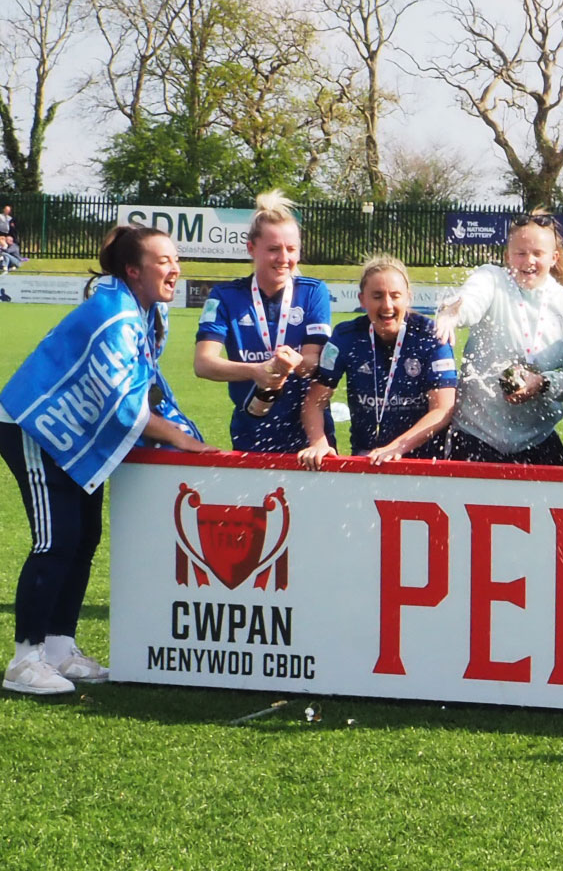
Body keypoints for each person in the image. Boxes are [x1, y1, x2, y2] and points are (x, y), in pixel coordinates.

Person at [1, 226, 213, 694]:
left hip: (73, 431)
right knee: (56, 540)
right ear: (133, 270)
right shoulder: (114, 314)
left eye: (176, 259)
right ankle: (24, 660)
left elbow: (148, 388)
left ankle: (57, 648)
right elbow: (125, 407)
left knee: (83, 538)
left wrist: (186, 432)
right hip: (34, 425)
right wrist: (181, 439)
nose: (175, 268)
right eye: (164, 260)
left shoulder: (144, 312)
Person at [435, 214, 563, 465]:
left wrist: (541, 383)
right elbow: (471, 299)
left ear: (554, 258)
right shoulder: (492, 279)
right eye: (520, 253)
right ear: (508, 256)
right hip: (476, 437)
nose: (529, 261)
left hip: (537, 441)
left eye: (538, 253)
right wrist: (452, 312)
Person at [195, 191, 334, 453]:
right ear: (251, 248)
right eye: (273, 249)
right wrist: (256, 371)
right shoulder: (225, 297)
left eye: (291, 249)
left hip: (309, 436)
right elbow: (203, 364)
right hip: (250, 430)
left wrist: (291, 365)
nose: (284, 258)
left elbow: (313, 363)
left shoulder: (313, 292)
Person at [297, 257, 456, 468]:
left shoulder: (431, 337)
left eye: (395, 296)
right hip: (368, 461)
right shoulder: (346, 337)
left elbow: (443, 409)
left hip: (425, 464)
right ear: (362, 300)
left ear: (408, 298)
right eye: (377, 296)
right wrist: (318, 442)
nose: (387, 305)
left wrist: (397, 447)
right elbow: (314, 401)